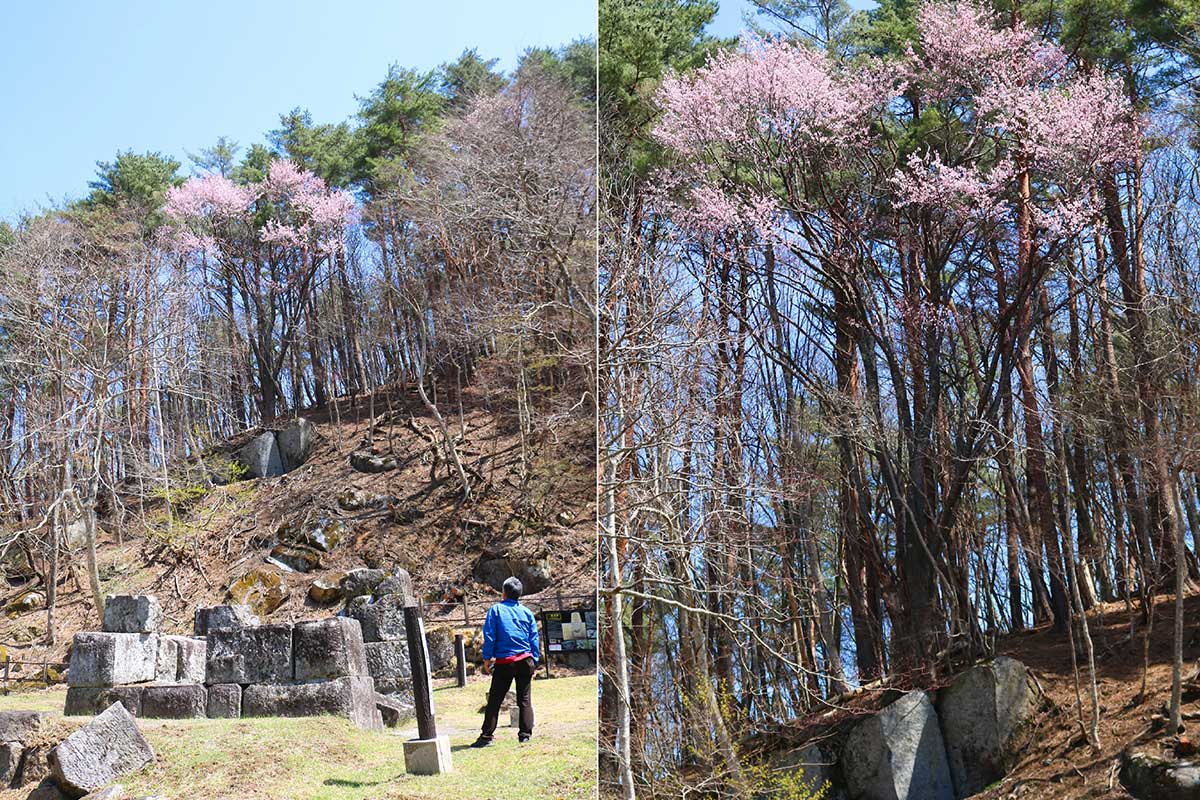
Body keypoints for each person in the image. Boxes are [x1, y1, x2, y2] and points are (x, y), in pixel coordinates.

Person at [471, 576, 540, 746]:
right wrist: (535, 659)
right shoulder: (527, 612)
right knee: (524, 699)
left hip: (505, 661)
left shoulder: (496, 610)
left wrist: (487, 658)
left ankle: (486, 736)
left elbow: (490, 635)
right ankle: (525, 735)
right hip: (525, 659)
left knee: (495, 699)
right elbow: (534, 637)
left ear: (504, 593)